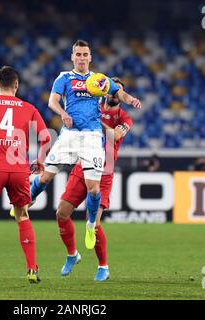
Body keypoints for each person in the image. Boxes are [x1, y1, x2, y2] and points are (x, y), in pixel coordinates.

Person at [24, 40, 141, 250]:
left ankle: (89, 225)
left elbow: (119, 92)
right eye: (78, 54)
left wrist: (131, 99)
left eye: (85, 54)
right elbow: (52, 101)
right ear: (72, 57)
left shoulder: (99, 80)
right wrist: (63, 114)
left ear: (90, 57)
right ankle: (27, 199)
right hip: (69, 133)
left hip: (92, 137)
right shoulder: (64, 77)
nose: (81, 58)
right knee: (46, 175)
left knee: (93, 189)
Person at [0, 66, 50, 283]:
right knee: (22, 215)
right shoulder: (29, 108)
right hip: (19, 170)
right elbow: (46, 138)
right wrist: (40, 160)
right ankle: (32, 269)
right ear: (16, 85)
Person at [56, 77, 133, 281]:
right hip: (83, 167)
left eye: (118, 92)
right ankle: (72, 254)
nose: (114, 95)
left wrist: (93, 121)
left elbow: (115, 136)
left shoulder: (125, 119)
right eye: (112, 90)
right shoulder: (94, 106)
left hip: (103, 173)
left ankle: (103, 266)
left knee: (94, 223)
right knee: (61, 213)